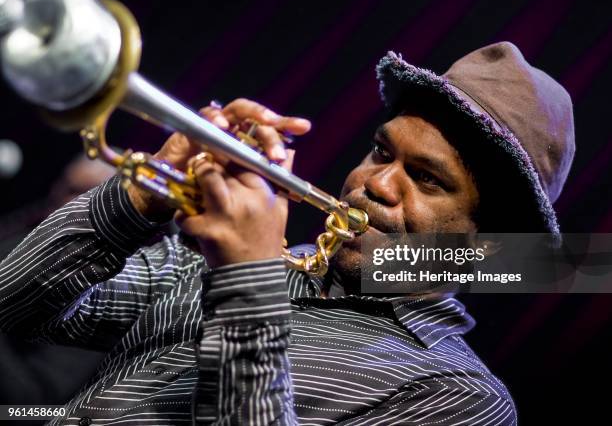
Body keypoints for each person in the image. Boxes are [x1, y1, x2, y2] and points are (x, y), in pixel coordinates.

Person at [0, 42, 574, 425]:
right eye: (380, 152)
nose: (374, 184)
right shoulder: (226, 259)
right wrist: (140, 195)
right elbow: (13, 305)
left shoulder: (462, 398)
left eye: (425, 179)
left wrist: (246, 285)